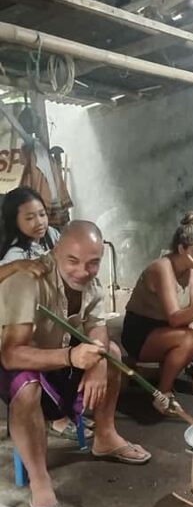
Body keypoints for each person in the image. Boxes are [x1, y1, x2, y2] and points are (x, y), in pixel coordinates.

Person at [0, 220, 150, 507]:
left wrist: (96, 362)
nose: (83, 270)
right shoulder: (27, 281)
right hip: (15, 360)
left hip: (58, 355)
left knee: (111, 354)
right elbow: (11, 354)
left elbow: (97, 327)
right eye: (73, 261)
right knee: (27, 388)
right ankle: (40, 481)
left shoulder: (90, 281)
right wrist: (71, 357)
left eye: (93, 262)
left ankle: (105, 437)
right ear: (56, 253)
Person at [0, 186, 93, 442]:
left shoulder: (52, 236)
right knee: (42, 365)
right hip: (22, 326)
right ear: (13, 220)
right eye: (29, 217)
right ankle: (58, 418)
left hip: (50, 322)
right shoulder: (15, 254)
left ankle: (71, 411)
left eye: (41, 214)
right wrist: (17, 266)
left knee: (88, 352)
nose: (39, 222)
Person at [122, 212, 193, 414]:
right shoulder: (162, 268)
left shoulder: (190, 268)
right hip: (142, 331)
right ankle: (162, 393)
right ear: (182, 248)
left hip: (171, 326)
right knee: (188, 340)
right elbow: (175, 317)